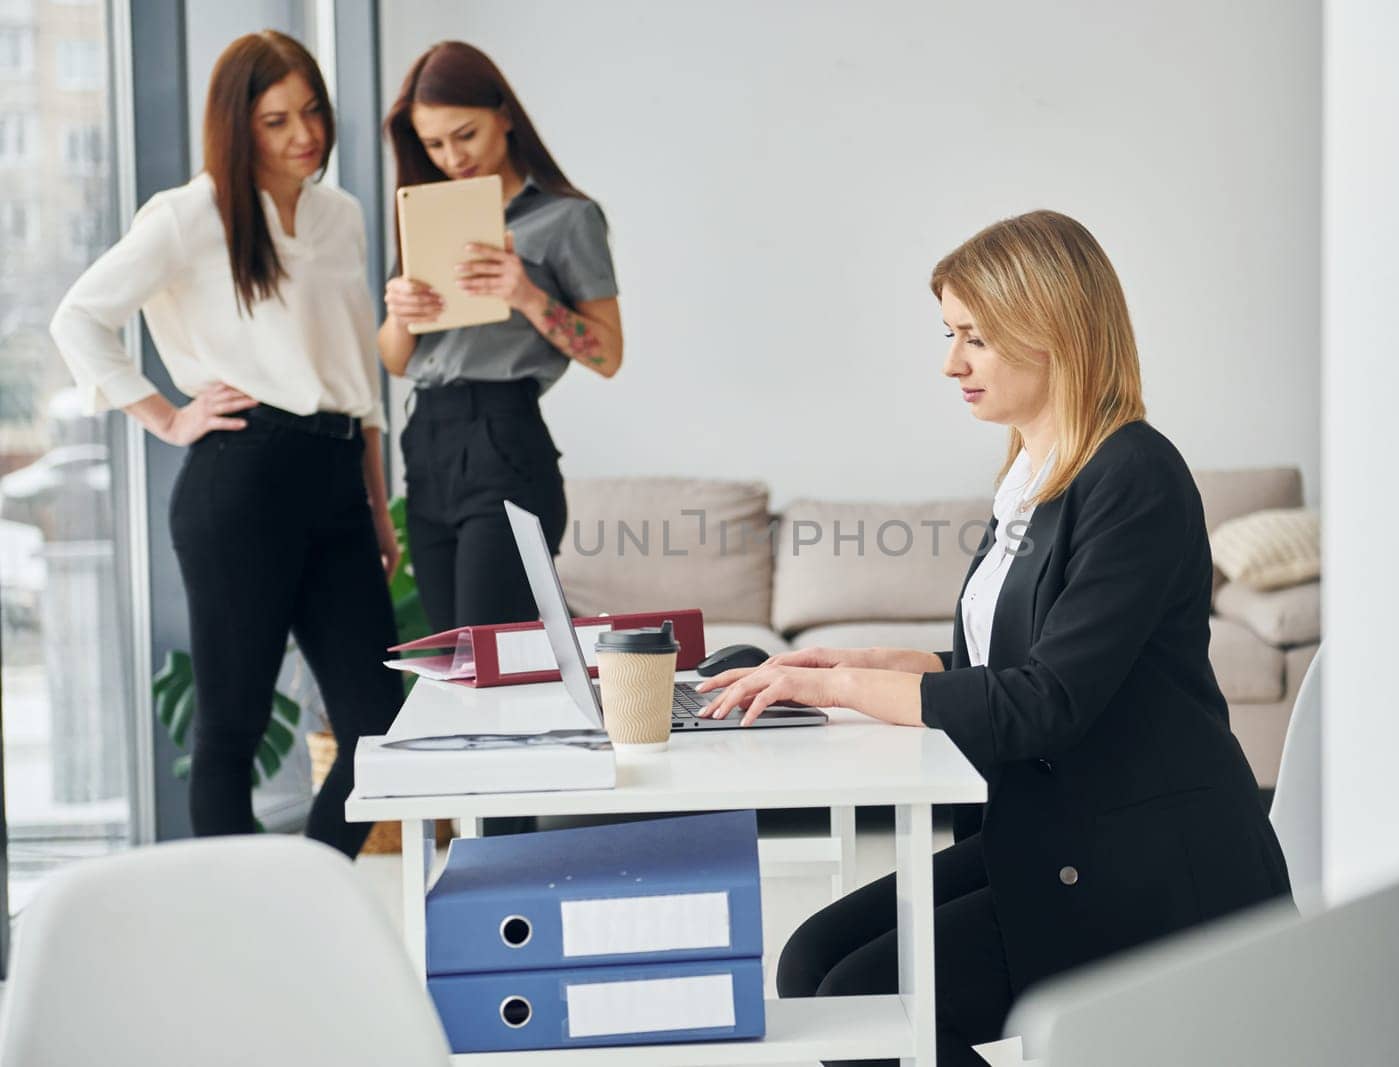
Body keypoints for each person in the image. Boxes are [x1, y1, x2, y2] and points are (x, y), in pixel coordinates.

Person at [696, 211, 1291, 1066]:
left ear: (1050, 330)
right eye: (950, 333)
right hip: (1049, 830)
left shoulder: (1134, 475)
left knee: (861, 997)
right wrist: (846, 662)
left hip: (1141, 859)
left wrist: (838, 693)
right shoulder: (1031, 475)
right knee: (812, 959)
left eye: (974, 337)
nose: (951, 362)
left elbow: (1043, 702)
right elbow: (991, 667)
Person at [49, 31, 402, 858]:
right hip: (243, 476)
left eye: (312, 111)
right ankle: (236, 916)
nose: (303, 134)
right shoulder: (189, 217)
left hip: (337, 473)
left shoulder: (340, 216)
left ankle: (302, 890)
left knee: (378, 725)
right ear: (238, 126)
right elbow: (80, 317)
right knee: (232, 724)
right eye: (277, 119)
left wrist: (378, 511)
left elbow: (359, 380)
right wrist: (167, 417)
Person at [380, 41, 622, 634]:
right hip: (426, 444)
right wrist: (399, 313)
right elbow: (396, 362)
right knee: (452, 663)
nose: (452, 156)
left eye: (465, 134)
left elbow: (608, 354)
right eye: (434, 144)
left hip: (504, 440)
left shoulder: (566, 218)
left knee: (489, 657)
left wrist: (528, 296)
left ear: (505, 115)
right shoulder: (428, 215)